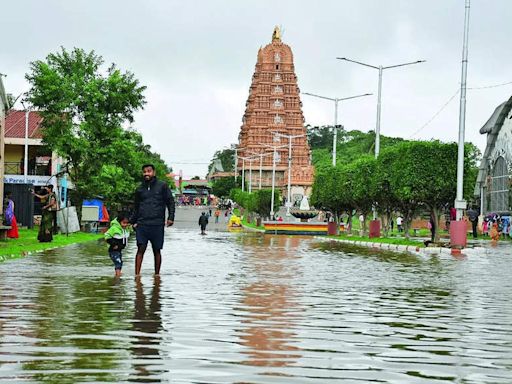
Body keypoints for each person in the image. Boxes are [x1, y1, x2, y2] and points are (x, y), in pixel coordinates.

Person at [131, 164, 175, 277]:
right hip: (142, 224)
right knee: (140, 248)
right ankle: (137, 276)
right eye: (144, 172)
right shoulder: (139, 189)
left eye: (149, 171)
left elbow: (170, 202)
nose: (146, 174)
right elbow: (136, 207)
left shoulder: (162, 186)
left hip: (157, 224)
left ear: (154, 172)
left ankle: (157, 276)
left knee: (157, 250)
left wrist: (170, 218)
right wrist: (133, 221)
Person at [104, 212, 130, 277]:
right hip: (113, 250)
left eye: (127, 223)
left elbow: (131, 229)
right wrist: (113, 244)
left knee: (120, 262)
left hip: (119, 250)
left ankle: (118, 273)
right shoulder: (114, 228)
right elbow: (106, 235)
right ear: (119, 221)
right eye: (124, 223)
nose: (125, 225)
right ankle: (118, 275)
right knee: (118, 262)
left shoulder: (126, 229)